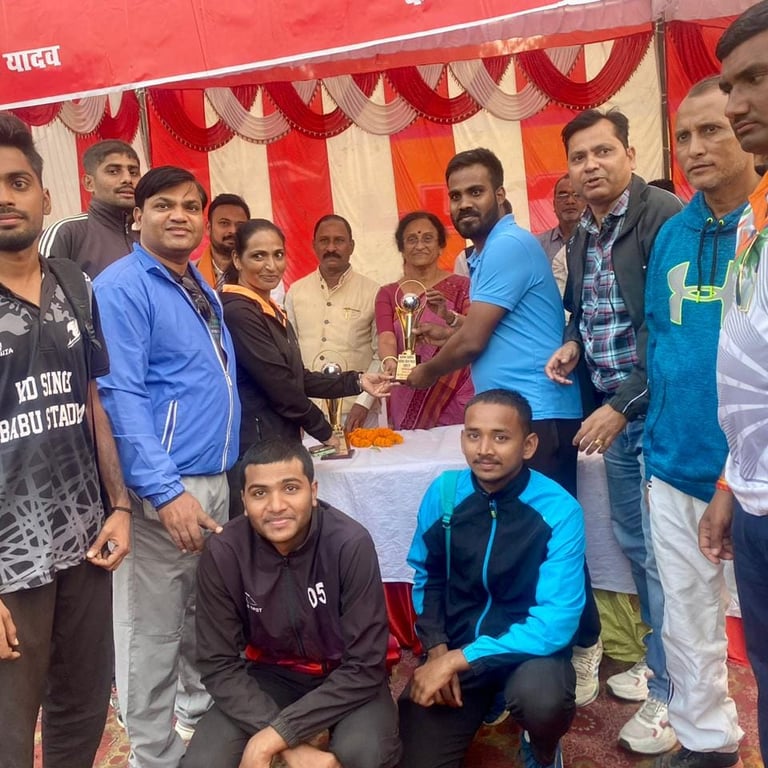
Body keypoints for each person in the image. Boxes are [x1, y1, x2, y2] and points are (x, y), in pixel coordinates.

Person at [407, 148, 601, 708]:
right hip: (518, 413)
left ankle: (584, 643)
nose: (464, 203)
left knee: (550, 536)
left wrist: (421, 374)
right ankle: (524, 653)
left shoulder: (509, 244)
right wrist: (447, 327)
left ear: (501, 195)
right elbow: (484, 327)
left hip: (537, 415)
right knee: (525, 538)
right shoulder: (487, 252)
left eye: (476, 192)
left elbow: (474, 341)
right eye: (456, 195)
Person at [545, 108, 682, 754]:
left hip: (658, 414)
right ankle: (663, 668)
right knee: (637, 545)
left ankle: (677, 693)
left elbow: (669, 329)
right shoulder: (583, 233)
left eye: (603, 151)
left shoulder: (660, 215)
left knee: (665, 551)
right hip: (619, 412)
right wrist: (573, 343)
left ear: (629, 153)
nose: (590, 165)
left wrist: (622, 405)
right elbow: (584, 310)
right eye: (579, 157)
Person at [95, 166, 241, 768]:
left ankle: (196, 724)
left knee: (200, 617)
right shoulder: (123, 286)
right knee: (150, 631)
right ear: (138, 216)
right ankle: (151, 755)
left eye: (189, 205)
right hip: (165, 488)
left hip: (212, 479)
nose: (178, 215)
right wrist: (164, 490)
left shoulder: (195, 280)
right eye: (163, 205)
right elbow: (119, 394)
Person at [0, 115, 132, 767]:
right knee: (7, 732)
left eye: (17, 182)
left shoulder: (74, 284)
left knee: (80, 713)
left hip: (83, 543)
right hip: (9, 561)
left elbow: (92, 399)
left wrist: (120, 505)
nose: (5, 198)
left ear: (45, 197)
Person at [646, 77, 760, 768]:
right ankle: (708, 741)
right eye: (684, 136)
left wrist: (731, 474)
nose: (694, 148)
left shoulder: (764, 228)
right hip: (671, 462)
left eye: (711, 130)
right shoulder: (671, 235)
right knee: (686, 620)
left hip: (755, 475)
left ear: (745, 128)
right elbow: (659, 339)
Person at [182, 439, 401, 768]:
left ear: (313, 492)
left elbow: (366, 663)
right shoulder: (225, 551)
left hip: (347, 675)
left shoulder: (349, 543)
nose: (276, 505)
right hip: (271, 673)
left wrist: (274, 736)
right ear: (244, 501)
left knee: (365, 753)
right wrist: (288, 743)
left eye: (290, 488)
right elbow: (218, 663)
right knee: (204, 763)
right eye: (259, 493)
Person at [399, 389, 585, 768]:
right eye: (474, 435)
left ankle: (542, 747)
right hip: (457, 644)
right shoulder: (444, 494)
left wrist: (457, 661)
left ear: (528, 445)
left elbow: (556, 621)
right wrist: (436, 649)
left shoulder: (559, 510)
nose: (484, 449)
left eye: (500, 437)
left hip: (529, 653)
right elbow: (427, 576)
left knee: (541, 701)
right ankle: (487, 700)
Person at [699, 2, 768, 763]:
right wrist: (731, 481)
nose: (737, 102)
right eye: (730, 84)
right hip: (753, 501)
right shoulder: (753, 221)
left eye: (756, 79)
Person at [220, 218, 391, 514]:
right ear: (237, 259)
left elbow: (298, 377)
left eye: (278, 254)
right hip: (257, 449)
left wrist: (357, 380)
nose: (271, 265)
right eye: (258, 256)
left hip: (278, 443)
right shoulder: (239, 311)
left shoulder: (268, 308)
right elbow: (280, 386)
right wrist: (326, 433)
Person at [376, 210, 473, 429]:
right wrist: (390, 362)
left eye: (428, 238)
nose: (420, 245)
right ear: (401, 248)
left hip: (453, 389)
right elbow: (386, 337)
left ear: (440, 245)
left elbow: (474, 332)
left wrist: (447, 317)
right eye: (412, 239)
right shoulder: (388, 293)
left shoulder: (462, 286)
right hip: (406, 386)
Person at [285, 215, 381, 431]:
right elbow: (289, 353)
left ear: (351, 246)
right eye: (324, 241)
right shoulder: (296, 292)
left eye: (339, 241)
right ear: (314, 246)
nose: (331, 248)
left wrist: (364, 403)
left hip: (356, 412)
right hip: (309, 411)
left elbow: (382, 354)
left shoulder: (373, 292)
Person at [39, 139, 141, 277]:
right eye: (113, 171)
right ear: (89, 183)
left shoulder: (151, 233)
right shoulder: (65, 233)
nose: (127, 179)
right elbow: (41, 286)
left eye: (133, 172)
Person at [193, 192, 250, 290]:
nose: (233, 231)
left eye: (240, 225)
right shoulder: (190, 273)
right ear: (209, 228)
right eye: (224, 223)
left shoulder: (260, 273)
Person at [536, 174, 586, 265]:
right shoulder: (538, 245)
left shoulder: (598, 240)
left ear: (587, 203)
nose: (570, 201)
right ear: (554, 204)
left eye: (577, 195)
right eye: (563, 195)